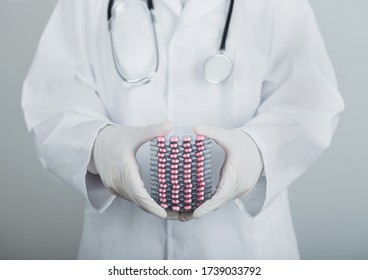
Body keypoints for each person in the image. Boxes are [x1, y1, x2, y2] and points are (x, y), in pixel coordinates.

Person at [22, 0, 344, 259]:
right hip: (121, 254)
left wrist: (258, 151)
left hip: (245, 252)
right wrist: (97, 146)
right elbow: (52, 102)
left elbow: (311, 102)